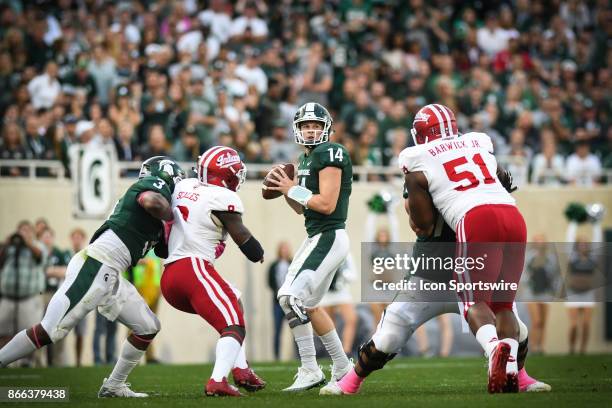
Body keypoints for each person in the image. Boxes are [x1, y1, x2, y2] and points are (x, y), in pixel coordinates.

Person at [326, 103, 538, 395]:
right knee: (509, 318)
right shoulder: (477, 145)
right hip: (465, 256)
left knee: (389, 336)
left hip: (439, 263)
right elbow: (504, 184)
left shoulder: (418, 163)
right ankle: (516, 372)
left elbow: (420, 226)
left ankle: (349, 384)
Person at [0, 156, 185, 398]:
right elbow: (151, 201)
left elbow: (164, 248)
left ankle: (114, 385)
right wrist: (174, 218)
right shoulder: (152, 189)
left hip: (110, 274)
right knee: (49, 331)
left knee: (148, 327)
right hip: (96, 265)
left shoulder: (159, 210)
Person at [162, 146, 266, 397]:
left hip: (170, 276)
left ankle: (241, 370)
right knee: (233, 324)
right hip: (193, 269)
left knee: (234, 299)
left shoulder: (184, 186)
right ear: (225, 175)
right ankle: (217, 380)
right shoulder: (224, 198)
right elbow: (245, 241)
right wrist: (259, 252)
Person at [266, 102, 352, 391]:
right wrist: (284, 188)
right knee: (311, 307)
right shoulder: (305, 159)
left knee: (290, 298)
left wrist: (292, 188)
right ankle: (342, 367)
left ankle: (309, 368)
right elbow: (303, 208)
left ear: (326, 128)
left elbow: (326, 204)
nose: (311, 130)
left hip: (329, 234)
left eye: (316, 125)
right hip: (317, 234)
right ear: (297, 129)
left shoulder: (330, 151)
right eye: (306, 125)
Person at [0, 221, 48, 367]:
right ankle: (5, 361)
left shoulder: (38, 246)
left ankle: (28, 363)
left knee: (29, 332)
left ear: (32, 234)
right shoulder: (10, 248)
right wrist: (7, 243)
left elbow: (40, 256)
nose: (23, 233)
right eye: (21, 230)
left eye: (27, 231)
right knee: (3, 331)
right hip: (8, 298)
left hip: (29, 299)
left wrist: (27, 242)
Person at [319, 256, 358, 356]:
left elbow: (353, 275)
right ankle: (333, 352)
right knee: (328, 323)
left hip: (341, 292)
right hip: (326, 293)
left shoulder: (346, 254)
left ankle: (346, 351)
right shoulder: (323, 252)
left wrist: (343, 275)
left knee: (351, 319)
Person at [267, 241, 292, 361]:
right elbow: (270, 282)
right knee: (277, 331)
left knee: (296, 331)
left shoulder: (293, 263)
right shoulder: (273, 265)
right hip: (277, 303)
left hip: (291, 303)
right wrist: (278, 293)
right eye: (283, 248)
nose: (285, 251)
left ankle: (298, 356)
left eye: (286, 248)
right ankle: (276, 357)